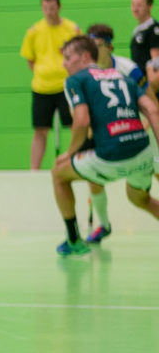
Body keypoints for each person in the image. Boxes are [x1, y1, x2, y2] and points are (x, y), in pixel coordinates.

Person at [51, 35, 159, 256]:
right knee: (139, 199)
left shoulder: (75, 80)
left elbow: (81, 120)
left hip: (111, 157)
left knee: (58, 173)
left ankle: (73, 241)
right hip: (142, 153)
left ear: (85, 56)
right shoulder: (122, 76)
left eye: (68, 57)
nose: (64, 63)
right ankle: (101, 224)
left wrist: (70, 153)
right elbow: (152, 108)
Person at [80, 23, 149, 244]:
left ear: (109, 46)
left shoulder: (128, 68)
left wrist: (147, 124)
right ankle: (104, 225)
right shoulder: (85, 73)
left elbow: (149, 99)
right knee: (93, 179)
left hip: (138, 133)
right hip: (104, 135)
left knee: (142, 191)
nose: (93, 50)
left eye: (98, 45)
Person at [21, 0, 81, 169]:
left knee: (74, 126)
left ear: (59, 7)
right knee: (40, 130)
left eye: (52, 8)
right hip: (41, 88)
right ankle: (34, 170)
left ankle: (78, 164)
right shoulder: (34, 31)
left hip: (66, 86)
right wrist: (43, 73)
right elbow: (30, 60)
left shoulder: (72, 29)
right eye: (45, 8)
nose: (49, 12)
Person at [129, 0, 159, 85]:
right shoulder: (138, 29)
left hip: (148, 86)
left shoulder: (153, 30)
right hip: (139, 82)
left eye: (139, 5)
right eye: (133, 5)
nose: (135, 9)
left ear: (149, 6)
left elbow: (156, 61)